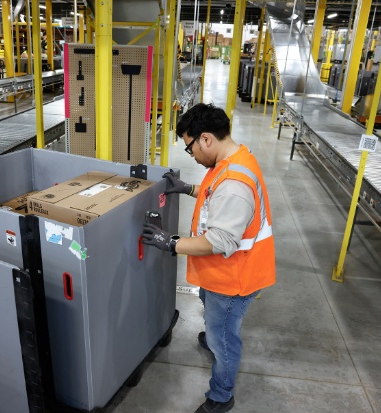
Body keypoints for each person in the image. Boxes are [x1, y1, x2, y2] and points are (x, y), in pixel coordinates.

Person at [141, 103, 276, 413]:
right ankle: (214, 335)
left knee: (224, 339)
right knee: (215, 318)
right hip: (223, 274)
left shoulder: (234, 182)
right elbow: (217, 193)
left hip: (234, 279)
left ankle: (221, 395)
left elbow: (220, 239)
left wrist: (172, 243)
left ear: (205, 139)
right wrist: (188, 188)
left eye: (190, 148)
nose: (192, 156)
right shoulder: (234, 161)